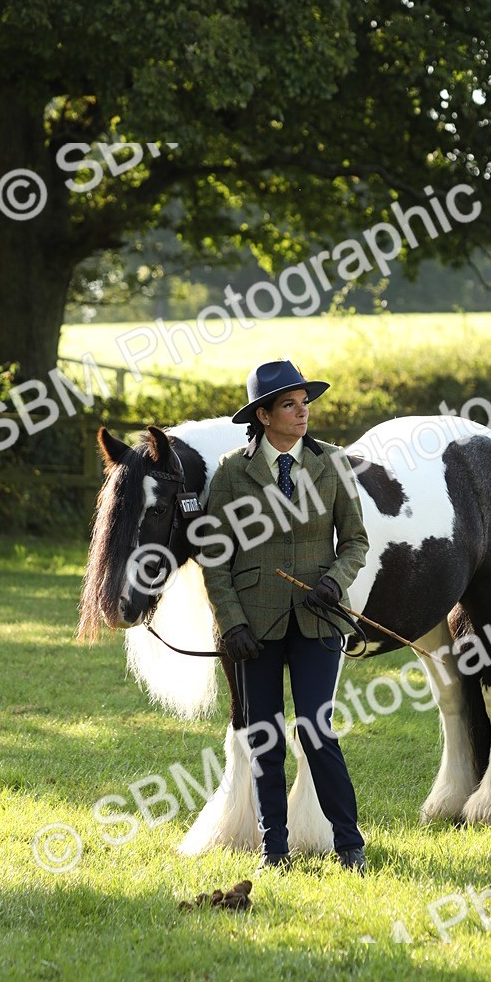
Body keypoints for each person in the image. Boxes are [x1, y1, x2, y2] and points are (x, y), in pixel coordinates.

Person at [200, 359, 369, 873]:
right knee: (264, 739)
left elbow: (356, 541)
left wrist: (334, 581)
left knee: (317, 731)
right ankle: (275, 850)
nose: (303, 413)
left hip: (319, 621)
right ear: (264, 416)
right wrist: (231, 623)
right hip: (255, 627)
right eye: (290, 405)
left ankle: (349, 845)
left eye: (305, 403)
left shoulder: (333, 464)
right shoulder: (231, 472)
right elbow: (214, 556)